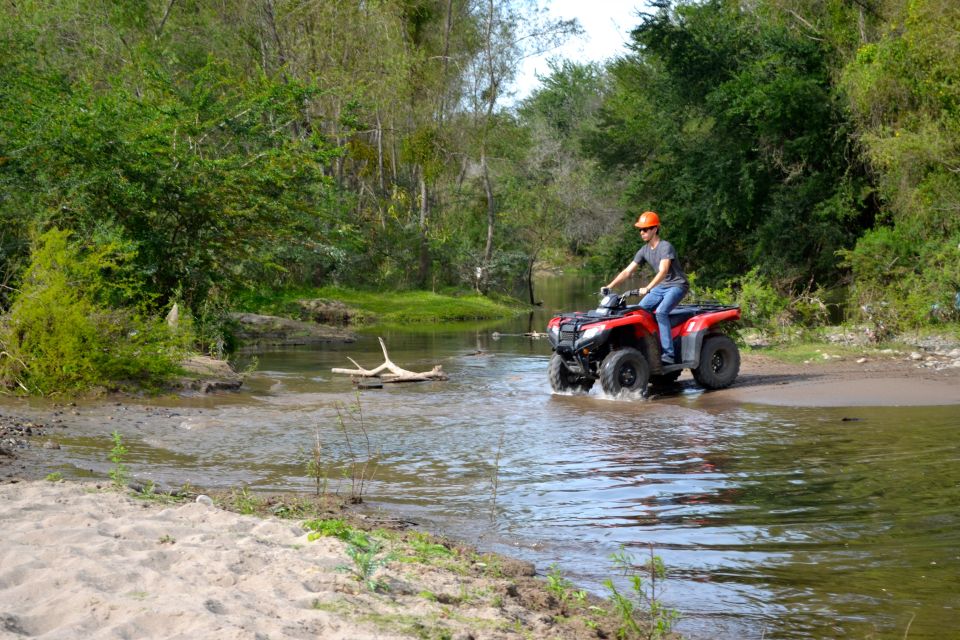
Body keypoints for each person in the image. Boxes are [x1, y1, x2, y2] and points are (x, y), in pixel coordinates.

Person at [602, 211, 689, 365]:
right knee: (640, 311)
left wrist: (648, 287)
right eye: (640, 230)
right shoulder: (644, 250)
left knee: (661, 312)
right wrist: (610, 286)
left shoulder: (665, 246)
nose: (642, 232)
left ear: (655, 229)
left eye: (646, 229)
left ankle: (668, 354)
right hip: (661, 287)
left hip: (677, 285)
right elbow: (627, 271)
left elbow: (663, 271)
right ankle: (647, 347)